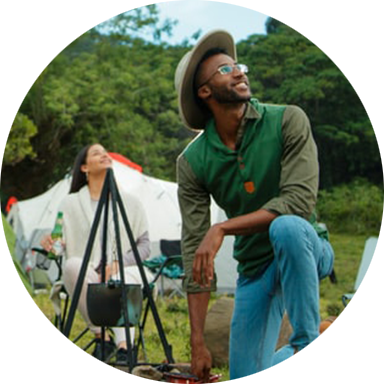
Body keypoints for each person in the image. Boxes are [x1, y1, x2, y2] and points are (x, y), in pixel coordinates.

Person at [174, 30, 348, 384]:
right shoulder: (193, 162)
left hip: (305, 247)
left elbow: (298, 204)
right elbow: (195, 251)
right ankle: (325, 343)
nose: (239, 72)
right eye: (225, 70)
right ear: (204, 92)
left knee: (284, 227)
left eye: (238, 66)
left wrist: (222, 227)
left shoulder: (288, 119)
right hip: (255, 269)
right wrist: (197, 342)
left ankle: (307, 350)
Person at [41, 143, 153, 363]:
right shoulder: (69, 203)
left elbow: (145, 245)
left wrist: (120, 263)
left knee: (118, 279)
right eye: (96, 153)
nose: (104, 155)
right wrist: (51, 246)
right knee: (73, 266)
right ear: (84, 168)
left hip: (127, 270)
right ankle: (102, 338)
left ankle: (124, 347)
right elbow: (59, 246)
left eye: (105, 152)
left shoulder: (130, 202)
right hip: (89, 272)